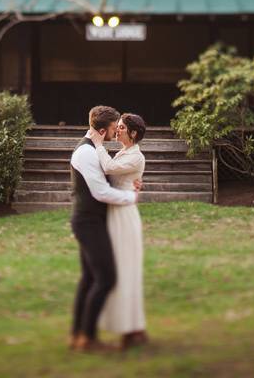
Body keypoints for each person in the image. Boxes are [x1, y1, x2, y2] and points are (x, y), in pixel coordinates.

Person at [69, 105, 142, 352]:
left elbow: (109, 176)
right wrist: (129, 198)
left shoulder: (91, 150)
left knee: (90, 279)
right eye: (113, 128)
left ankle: (78, 335)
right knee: (106, 278)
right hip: (89, 222)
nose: (116, 131)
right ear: (102, 130)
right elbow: (100, 192)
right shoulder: (86, 153)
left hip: (93, 221)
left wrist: (129, 183)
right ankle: (87, 338)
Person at [90, 112, 148, 349]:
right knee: (117, 270)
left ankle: (132, 329)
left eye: (122, 127)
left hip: (124, 216)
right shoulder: (125, 152)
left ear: (133, 133)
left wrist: (97, 143)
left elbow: (110, 167)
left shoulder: (136, 156)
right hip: (115, 212)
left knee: (126, 270)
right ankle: (128, 327)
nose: (118, 130)